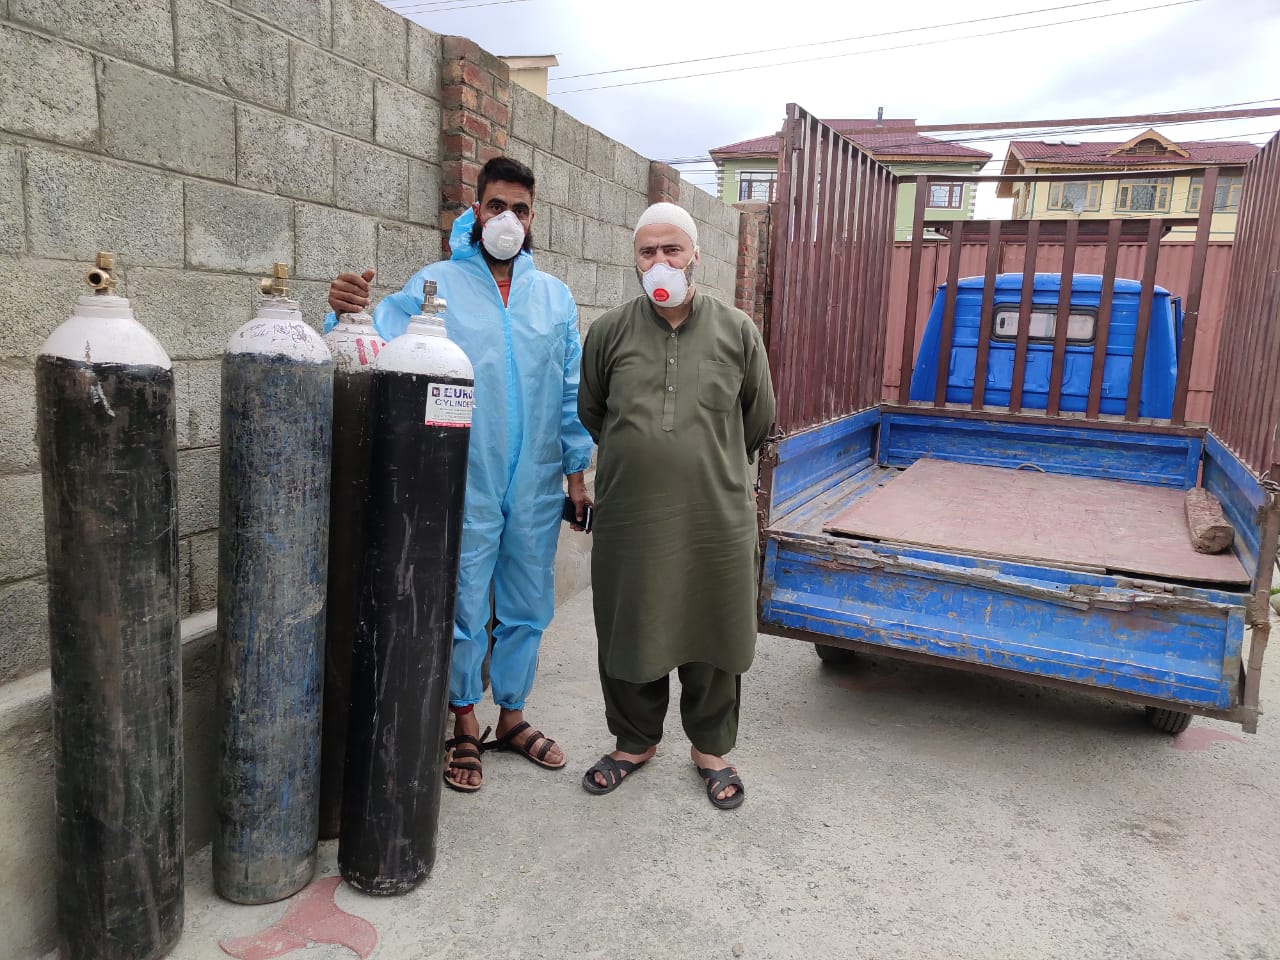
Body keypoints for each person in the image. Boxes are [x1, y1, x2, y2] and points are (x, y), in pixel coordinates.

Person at [327, 156, 594, 793]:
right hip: (463, 476)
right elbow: (371, 337)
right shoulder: (436, 285)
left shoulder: (553, 298)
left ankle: (514, 717)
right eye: (497, 206)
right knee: (464, 597)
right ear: (476, 212)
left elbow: (569, 390)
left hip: (535, 479)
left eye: (521, 210)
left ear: (534, 221)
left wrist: (577, 473)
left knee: (529, 600)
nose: (508, 220)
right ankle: (464, 722)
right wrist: (343, 310)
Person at [577, 202, 776, 810]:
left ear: (695, 256)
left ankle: (710, 749)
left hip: (715, 515)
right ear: (634, 260)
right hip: (632, 517)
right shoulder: (609, 331)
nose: (659, 262)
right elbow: (593, 412)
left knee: (714, 628)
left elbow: (757, 418)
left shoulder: (737, 330)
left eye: (671, 250)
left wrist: (702, 465)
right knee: (631, 624)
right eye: (647, 252)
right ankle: (634, 741)